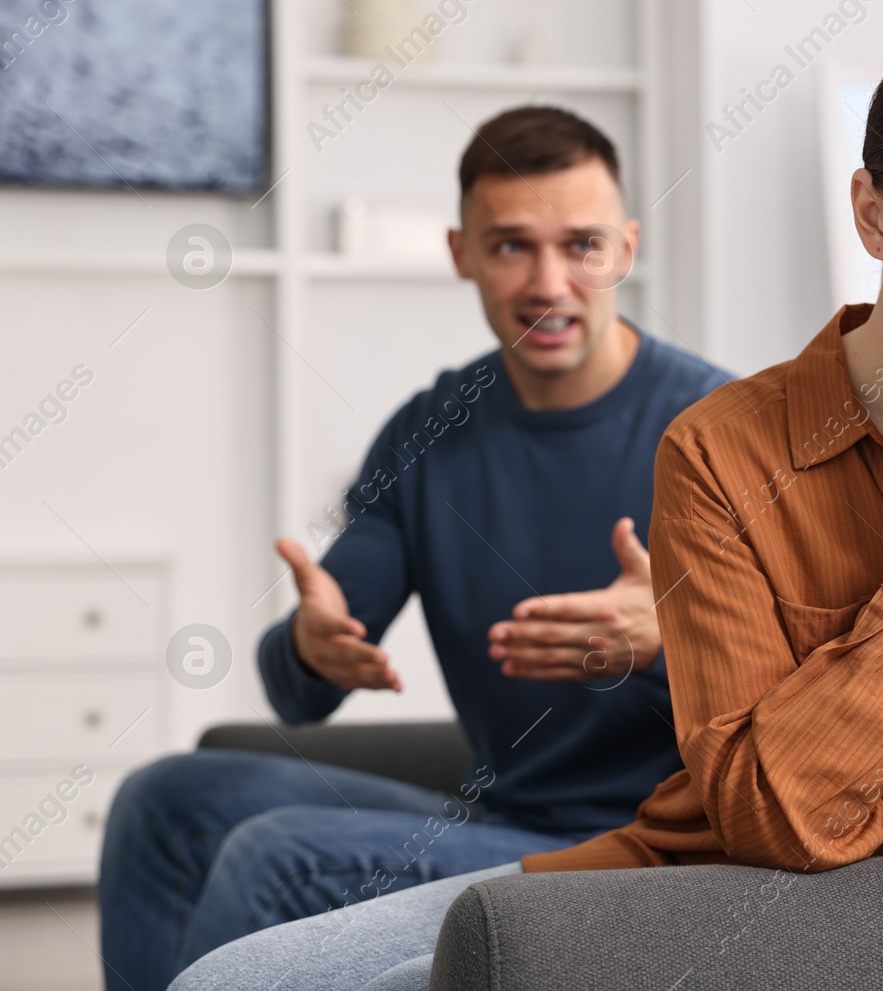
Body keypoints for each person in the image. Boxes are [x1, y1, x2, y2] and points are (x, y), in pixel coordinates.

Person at [168, 19, 883, 991]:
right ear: (869, 210)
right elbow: (769, 815)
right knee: (233, 975)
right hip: (688, 877)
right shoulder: (722, 448)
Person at [99, 104, 733, 991]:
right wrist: (313, 648)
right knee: (164, 800)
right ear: (461, 254)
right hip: (501, 813)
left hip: (659, 843)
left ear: (624, 248)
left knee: (274, 855)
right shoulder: (433, 427)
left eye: (582, 245)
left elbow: (817, 702)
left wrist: (674, 636)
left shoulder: (723, 428)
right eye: (512, 245)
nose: (549, 281)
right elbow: (301, 685)